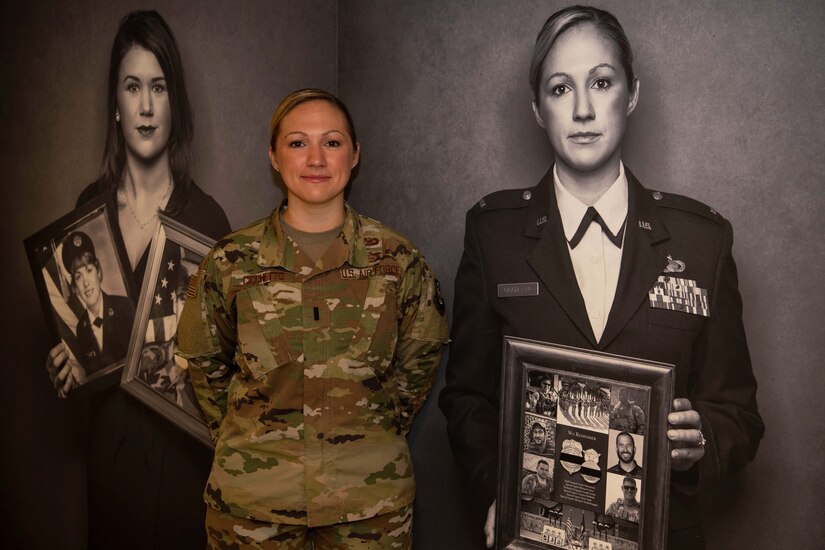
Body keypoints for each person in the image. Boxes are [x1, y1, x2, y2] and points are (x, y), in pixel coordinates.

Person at [439, 5, 764, 549]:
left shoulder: (701, 240)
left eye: (602, 82)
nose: (584, 109)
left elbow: (740, 416)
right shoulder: (492, 235)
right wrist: (499, 490)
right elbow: (468, 398)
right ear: (538, 109)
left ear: (631, 94)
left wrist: (702, 436)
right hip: (533, 537)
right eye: (561, 89)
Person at [175, 88, 449, 549]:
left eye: (333, 142)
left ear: (355, 154)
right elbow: (204, 365)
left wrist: (370, 432)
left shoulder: (398, 261)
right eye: (298, 142)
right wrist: (253, 441)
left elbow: (417, 366)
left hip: (369, 509)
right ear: (274, 157)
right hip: (253, 509)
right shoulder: (230, 262)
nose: (316, 158)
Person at [44, 10, 231, 549]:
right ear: (116, 105)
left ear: (175, 103)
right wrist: (69, 366)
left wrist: (197, 369)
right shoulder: (88, 210)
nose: (146, 106)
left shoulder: (208, 220)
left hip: (185, 470)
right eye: (133, 87)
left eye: (159, 87)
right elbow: (87, 340)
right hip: (112, 464)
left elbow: (227, 363)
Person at [61, 231, 133, 377]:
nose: (86, 283)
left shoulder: (125, 307)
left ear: (98, 272)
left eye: (88, 270)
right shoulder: (81, 329)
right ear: (75, 287)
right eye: (78, 277)